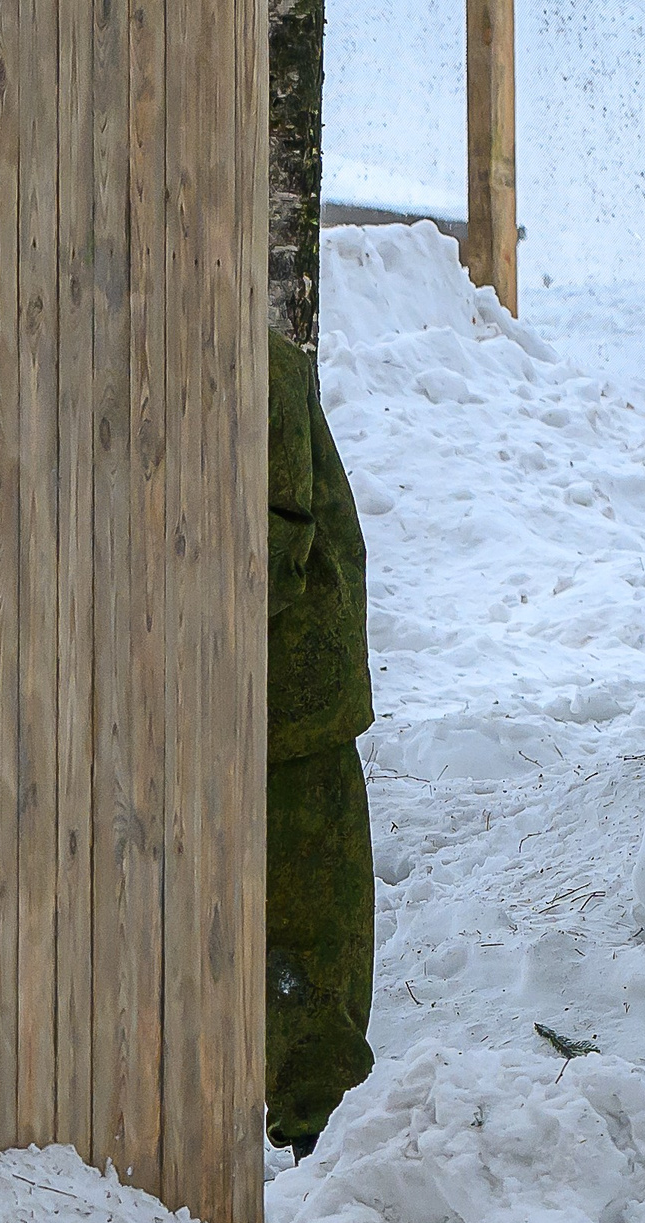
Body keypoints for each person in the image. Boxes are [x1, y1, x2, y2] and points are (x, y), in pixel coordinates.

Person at [265, 329, 377, 1159]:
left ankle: (326, 1145)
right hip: (254, 700)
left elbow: (276, 537)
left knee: (312, 935)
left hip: (294, 697)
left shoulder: (252, 360)